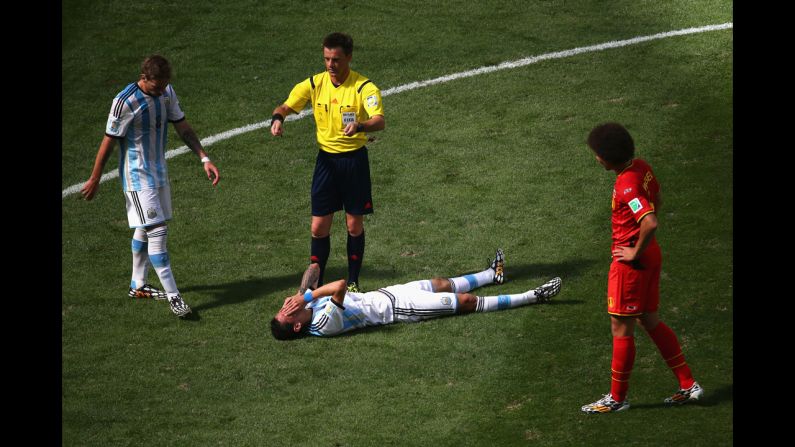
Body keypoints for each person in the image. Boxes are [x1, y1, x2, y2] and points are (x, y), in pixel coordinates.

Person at [80, 54, 220, 318]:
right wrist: (95, 178)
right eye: (156, 87)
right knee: (158, 230)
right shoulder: (124, 101)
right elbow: (108, 141)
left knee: (146, 228)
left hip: (159, 174)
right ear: (144, 78)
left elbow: (183, 127)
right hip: (137, 178)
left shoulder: (166, 91)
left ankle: (138, 283)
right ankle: (174, 297)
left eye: (164, 85)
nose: (160, 92)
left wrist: (204, 157)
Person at [580, 122, 702, 414]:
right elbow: (656, 200)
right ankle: (688, 384)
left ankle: (616, 398)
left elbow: (650, 221)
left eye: (597, 153)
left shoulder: (626, 184)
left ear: (607, 158)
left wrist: (634, 248)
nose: (595, 157)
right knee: (650, 320)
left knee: (621, 328)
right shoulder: (641, 167)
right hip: (650, 256)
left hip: (630, 264)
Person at [269, 32, 385, 293]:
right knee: (318, 227)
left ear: (349, 57)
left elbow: (380, 120)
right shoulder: (314, 84)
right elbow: (285, 106)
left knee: (354, 225)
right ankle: (315, 286)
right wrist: (277, 119)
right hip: (327, 164)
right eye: (326, 59)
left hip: (354, 162)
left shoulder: (363, 87)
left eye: (336, 59)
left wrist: (360, 125)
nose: (330, 65)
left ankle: (353, 282)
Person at [270, 249, 562, 340]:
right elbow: (340, 285)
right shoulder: (322, 324)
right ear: (297, 325)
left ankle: (491, 275)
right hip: (401, 310)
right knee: (465, 302)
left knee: (441, 283)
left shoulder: (304, 306)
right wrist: (306, 297)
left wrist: (298, 293)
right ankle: (532, 296)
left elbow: (314, 268)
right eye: (286, 313)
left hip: (390, 293)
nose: (286, 307)